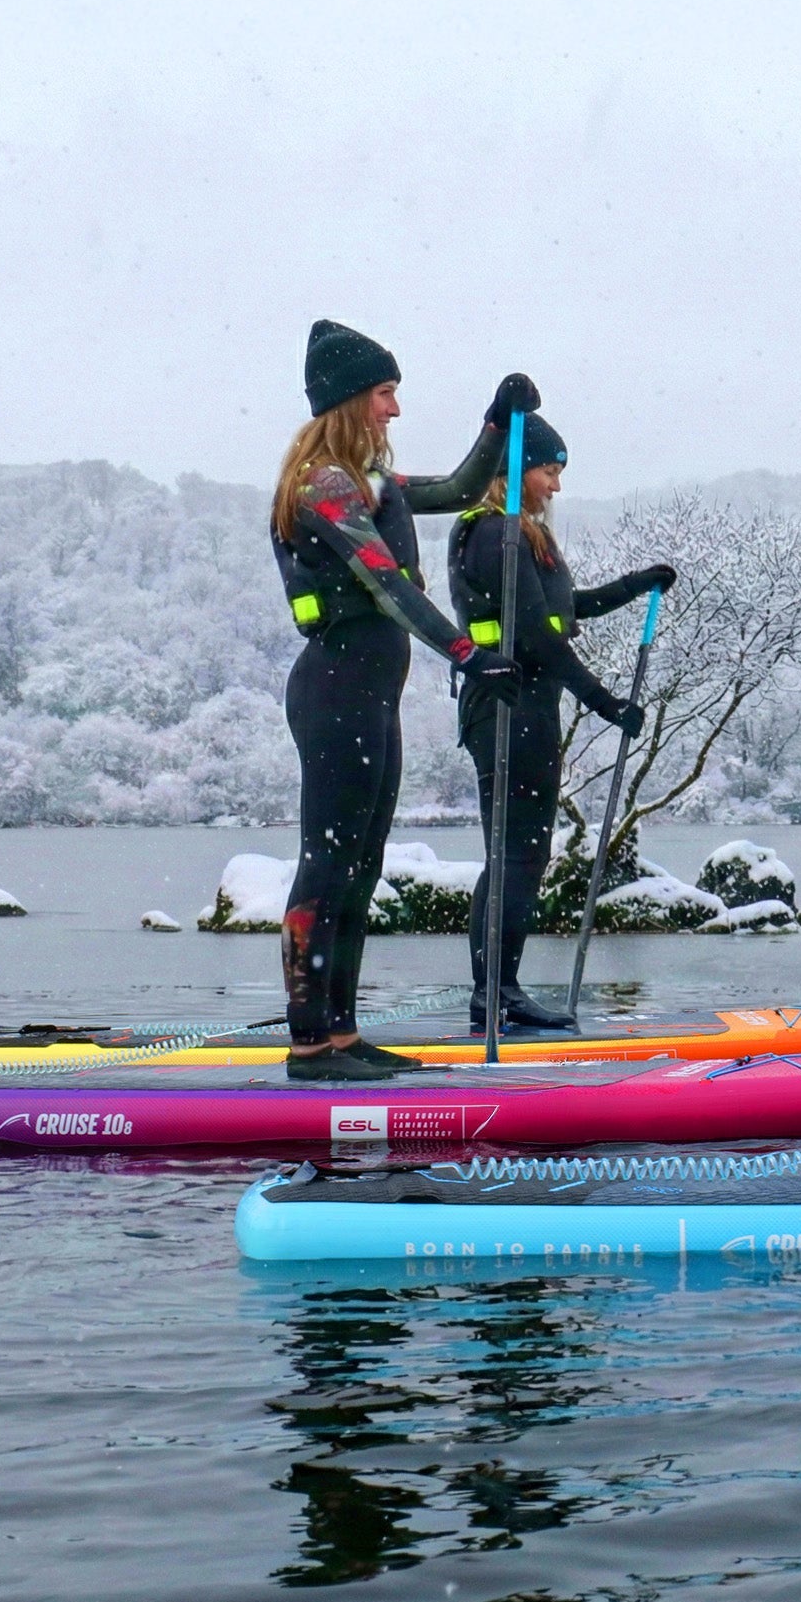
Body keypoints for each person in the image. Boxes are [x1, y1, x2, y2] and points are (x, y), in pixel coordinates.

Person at [271, 318, 535, 1084]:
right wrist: (467, 652)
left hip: (371, 693)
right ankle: (308, 1040)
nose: (393, 409)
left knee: (362, 860)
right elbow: (387, 583)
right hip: (335, 686)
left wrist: (498, 420)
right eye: (385, 394)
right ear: (352, 400)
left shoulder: (373, 482)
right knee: (328, 859)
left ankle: (342, 1033)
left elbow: (455, 490)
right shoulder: (323, 485)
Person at [447, 414, 675, 1030]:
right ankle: (497, 992)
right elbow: (538, 641)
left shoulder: (519, 536)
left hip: (522, 706)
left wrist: (635, 585)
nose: (556, 486)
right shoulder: (497, 537)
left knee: (517, 853)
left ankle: (496, 990)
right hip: (509, 707)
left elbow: (563, 611)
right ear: (516, 473)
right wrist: (607, 704)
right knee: (518, 855)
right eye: (549, 471)